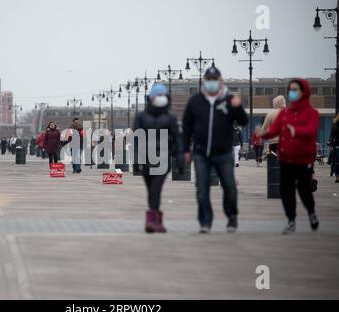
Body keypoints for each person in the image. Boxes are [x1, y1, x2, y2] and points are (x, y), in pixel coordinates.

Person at [182, 66, 248, 234]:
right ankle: (205, 221)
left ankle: (231, 216)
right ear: (205, 81)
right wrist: (185, 150)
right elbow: (186, 127)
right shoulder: (195, 101)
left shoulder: (228, 100)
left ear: (220, 81)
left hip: (223, 151)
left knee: (229, 186)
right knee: (202, 188)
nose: (211, 83)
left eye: (214, 80)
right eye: (208, 80)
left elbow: (243, 121)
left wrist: (238, 107)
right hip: (201, 152)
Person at [258, 78, 320, 234]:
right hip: (285, 156)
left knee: (304, 189)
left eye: (296, 90)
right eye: (290, 90)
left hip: (303, 156)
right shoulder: (284, 113)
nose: (292, 93)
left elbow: (311, 130)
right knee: (287, 190)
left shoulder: (311, 113)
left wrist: (296, 131)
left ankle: (311, 213)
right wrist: (262, 134)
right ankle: (291, 220)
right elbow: (272, 130)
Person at [134, 84, 184, 233]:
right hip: (146, 159)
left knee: (156, 189)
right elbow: (136, 139)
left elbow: (178, 139)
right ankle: (157, 220)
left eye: (163, 95)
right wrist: (136, 160)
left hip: (163, 159)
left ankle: (151, 220)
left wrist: (180, 158)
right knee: (151, 191)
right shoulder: (141, 117)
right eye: (158, 95)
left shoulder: (170, 117)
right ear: (151, 98)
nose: (161, 98)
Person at [329, 114, 339, 183]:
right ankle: (337, 177)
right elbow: (331, 136)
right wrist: (331, 145)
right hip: (337, 145)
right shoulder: (335, 126)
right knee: (337, 162)